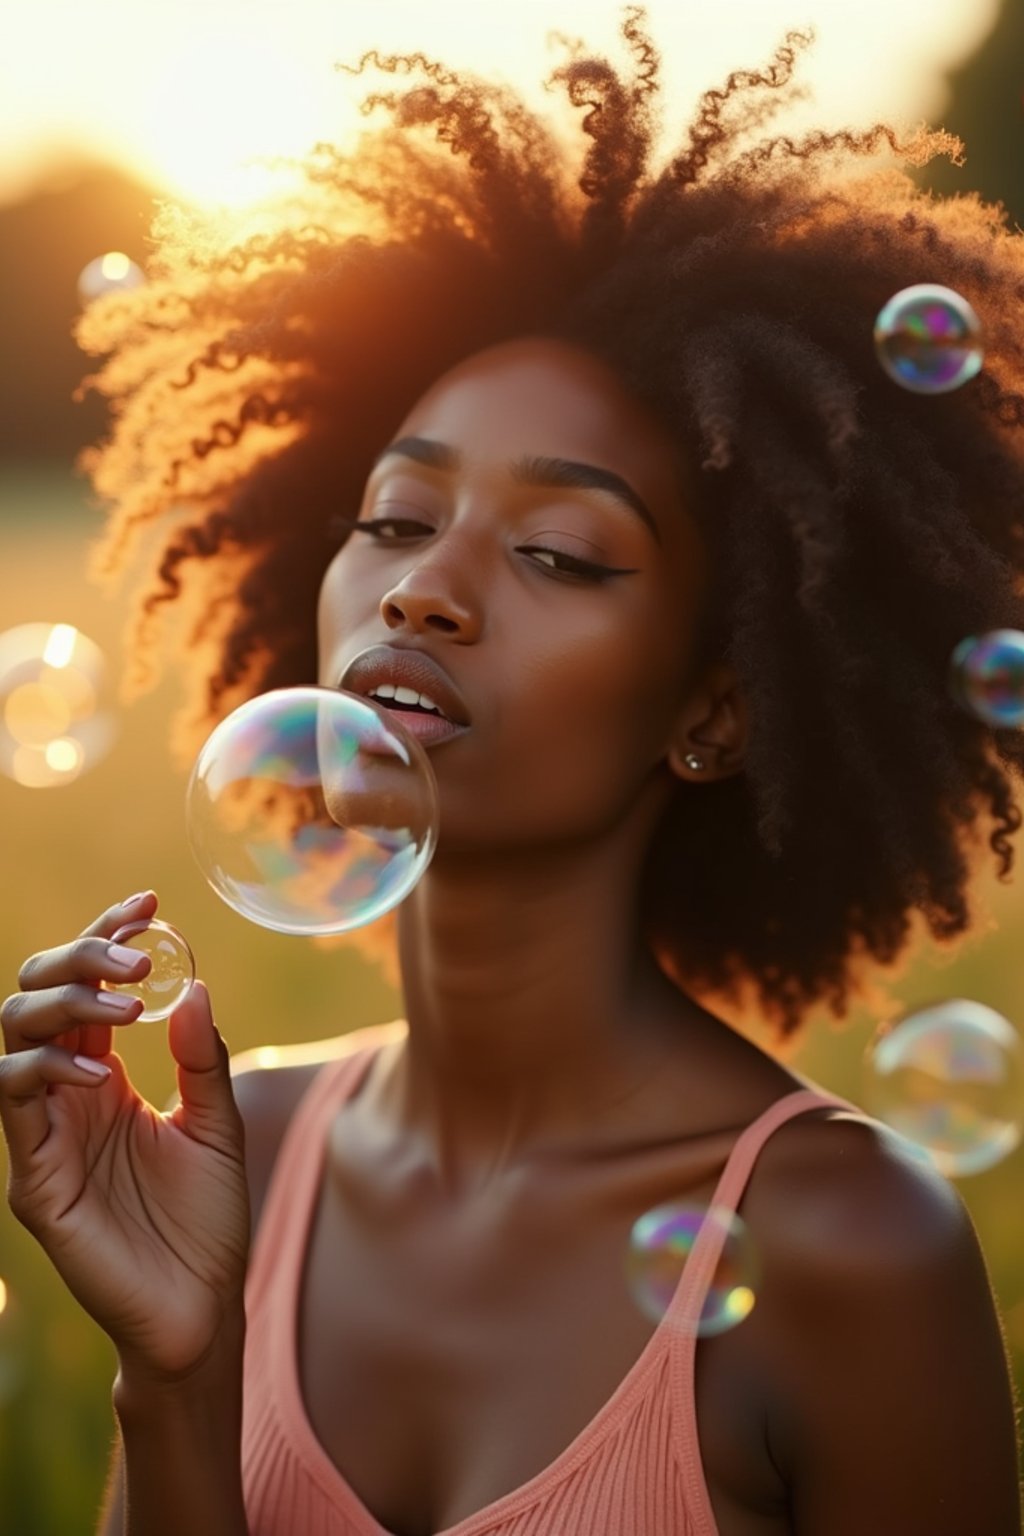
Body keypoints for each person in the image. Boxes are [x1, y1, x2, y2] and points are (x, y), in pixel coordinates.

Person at [2, 11, 1023, 1534]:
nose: (426, 591)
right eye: (397, 520)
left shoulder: (849, 1245)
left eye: (558, 552)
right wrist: (177, 1375)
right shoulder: (233, 1155)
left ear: (722, 708)